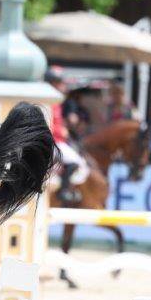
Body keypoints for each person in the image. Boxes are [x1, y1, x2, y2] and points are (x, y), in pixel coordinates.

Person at [45, 67, 88, 205]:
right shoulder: (47, 102)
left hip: (58, 140)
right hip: (52, 142)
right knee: (76, 162)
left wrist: (63, 128)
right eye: (61, 83)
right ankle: (63, 191)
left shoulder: (57, 102)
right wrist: (60, 131)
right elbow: (47, 125)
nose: (64, 87)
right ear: (53, 84)